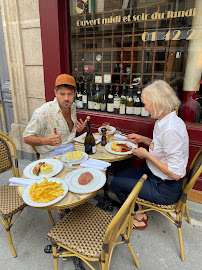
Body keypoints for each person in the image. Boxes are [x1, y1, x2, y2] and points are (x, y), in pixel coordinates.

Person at [111, 80, 189, 229]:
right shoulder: (164, 120)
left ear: (158, 102)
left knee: (116, 183)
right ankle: (139, 207)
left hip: (165, 188)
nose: (145, 108)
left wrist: (147, 155)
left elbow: (176, 173)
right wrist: (142, 139)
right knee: (120, 173)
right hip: (155, 175)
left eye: (147, 104)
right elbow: (162, 146)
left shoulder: (171, 129)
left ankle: (137, 216)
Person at [23, 73, 87, 158]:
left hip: (72, 150)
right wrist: (45, 140)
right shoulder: (44, 111)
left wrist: (78, 129)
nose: (66, 98)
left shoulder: (72, 106)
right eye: (62, 94)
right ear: (55, 93)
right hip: (52, 156)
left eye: (70, 94)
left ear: (75, 93)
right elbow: (26, 138)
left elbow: (67, 132)